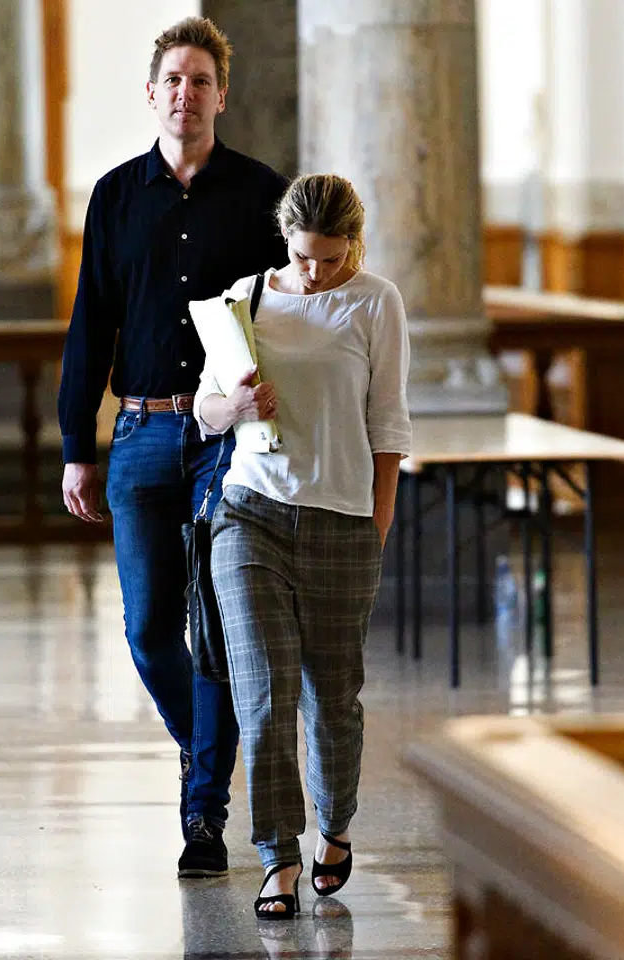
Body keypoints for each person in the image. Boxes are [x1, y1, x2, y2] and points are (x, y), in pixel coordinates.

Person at [56, 16, 289, 878]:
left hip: (230, 438)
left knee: (217, 625)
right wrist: (77, 444)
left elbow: (288, 317)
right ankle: (204, 751)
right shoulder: (116, 196)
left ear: (221, 96)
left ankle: (204, 810)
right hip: (143, 430)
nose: (186, 94)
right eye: (174, 81)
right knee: (150, 627)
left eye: (201, 81)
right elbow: (91, 321)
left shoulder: (262, 194)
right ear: (151, 95)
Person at [195, 174, 411, 918]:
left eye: (330, 257)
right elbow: (206, 411)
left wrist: (377, 525)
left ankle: (336, 826)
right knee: (263, 695)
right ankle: (277, 857)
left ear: (353, 243)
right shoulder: (247, 297)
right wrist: (235, 405)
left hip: (343, 521)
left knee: (332, 698)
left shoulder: (376, 301)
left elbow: (389, 423)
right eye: (302, 256)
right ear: (284, 240)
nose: (315, 272)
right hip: (249, 513)